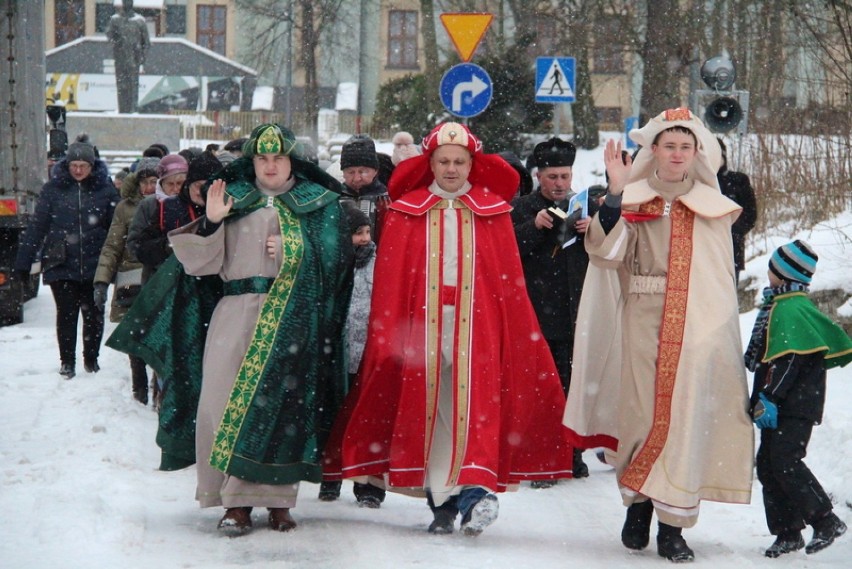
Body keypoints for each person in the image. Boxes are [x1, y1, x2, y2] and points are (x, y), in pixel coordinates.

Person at [330, 122, 573, 537]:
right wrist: (392, 334)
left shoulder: (492, 212)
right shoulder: (408, 212)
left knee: (475, 409)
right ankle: (443, 499)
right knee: (432, 412)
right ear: (431, 163)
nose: (452, 169)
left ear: (471, 164)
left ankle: (472, 492)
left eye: (460, 161)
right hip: (421, 331)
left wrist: (505, 330)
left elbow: (505, 284)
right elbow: (393, 283)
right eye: (443, 161)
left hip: (476, 330)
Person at [563, 108, 754, 562]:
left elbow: (718, 281)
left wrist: (710, 334)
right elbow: (605, 253)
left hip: (694, 328)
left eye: (686, 146)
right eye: (669, 145)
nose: (677, 154)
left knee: (685, 421)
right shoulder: (633, 198)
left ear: (697, 153)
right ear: (655, 150)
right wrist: (614, 193)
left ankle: (673, 526)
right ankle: (639, 504)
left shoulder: (714, 207)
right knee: (641, 416)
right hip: (642, 321)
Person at [167, 124, 352, 534]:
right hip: (236, 312)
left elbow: (336, 263)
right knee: (223, 401)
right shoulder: (234, 200)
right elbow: (202, 266)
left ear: (291, 161)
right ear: (252, 162)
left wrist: (295, 250)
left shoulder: (317, 203)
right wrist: (212, 223)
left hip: (292, 313)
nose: (270, 166)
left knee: (284, 406)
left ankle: (278, 501)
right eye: (262, 159)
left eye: (278, 158)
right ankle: (234, 502)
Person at [746, 240, 852, 558]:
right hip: (787, 403)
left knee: (785, 462)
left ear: (782, 273)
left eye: (772, 268)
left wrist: (770, 397)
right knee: (768, 465)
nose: (768, 273)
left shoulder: (789, 308)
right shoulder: (782, 305)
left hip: (794, 405)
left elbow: (789, 359)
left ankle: (826, 520)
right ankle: (788, 532)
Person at [510, 138, 596, 481]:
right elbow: (507, 249)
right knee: (541, 391)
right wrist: (535, 228)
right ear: (539, 176)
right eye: (552, 177)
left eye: (564, 176)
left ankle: (572, 455)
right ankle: (541, 458)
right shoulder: (522, 209)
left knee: (573, 388)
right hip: (536, 316)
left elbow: (608, 251)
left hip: (576, 313)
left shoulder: (585, 207)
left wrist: (594, 232)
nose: (559, 183)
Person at [14, 139, 119, 378]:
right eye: (74, 165)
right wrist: (23, 261)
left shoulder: (105, 190)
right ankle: (67, 361)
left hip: (95, 264)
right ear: (67, 165)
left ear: (93, 166)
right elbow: (37, 227)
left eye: (84, 165)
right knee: (67, 313)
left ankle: (91, 359)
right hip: (60, 262)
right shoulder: (53, 190)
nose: (79, 170)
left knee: (93, 314)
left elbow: (117, 228)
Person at [317, 201, 386, 506]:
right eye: (356, 232)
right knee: (331, 418)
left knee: (369, 420)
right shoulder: (327, 264)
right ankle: (329, 477)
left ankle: (369, 484)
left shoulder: (380, 261)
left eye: (367, 231)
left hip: (370, 354)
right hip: (336, 354)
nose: (363, 239)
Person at [93, 159, 158, 404]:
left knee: (157, 335)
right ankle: (139, 387)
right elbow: (113, 245)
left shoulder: (168, 206)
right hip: (131, 280)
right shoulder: (125, 208)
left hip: (158, 279)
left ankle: (157, 386)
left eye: (154, 182)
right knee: (135, 336)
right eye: (145, 182)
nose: (149, 187)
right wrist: (101, 280)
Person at [127, 154, 189, 283]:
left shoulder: (193, 203)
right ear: (161, 184)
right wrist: (163, 248)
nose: (176, 189)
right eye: (170, 184)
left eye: (180, 183)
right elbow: (134, 245)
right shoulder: (149, 205)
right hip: (156, 279)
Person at [716, 138, 757, 283]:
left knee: (729, 299)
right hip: (702, 252)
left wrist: (731, 230)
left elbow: (750, 214)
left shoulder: (738, 181)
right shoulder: (696, 182)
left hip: (731, 250)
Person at [339, 134, 389, 243]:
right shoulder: (334, 198)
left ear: (375, 171)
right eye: (350, 172)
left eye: (363, 171)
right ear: (343, 173)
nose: (357, 178)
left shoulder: (387, 201)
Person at [105, 0, 150, 113]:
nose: (127, 4)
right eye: (125, 1)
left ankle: (132, 110)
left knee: (133, 87)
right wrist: (119, 40)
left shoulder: (139, 21)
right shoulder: (115, 20)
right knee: (121, 86)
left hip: (134, 60)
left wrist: (142, 59)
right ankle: (123, 110)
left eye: (129, 1)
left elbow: (147, 43)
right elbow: (109, 35)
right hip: (120, 59)